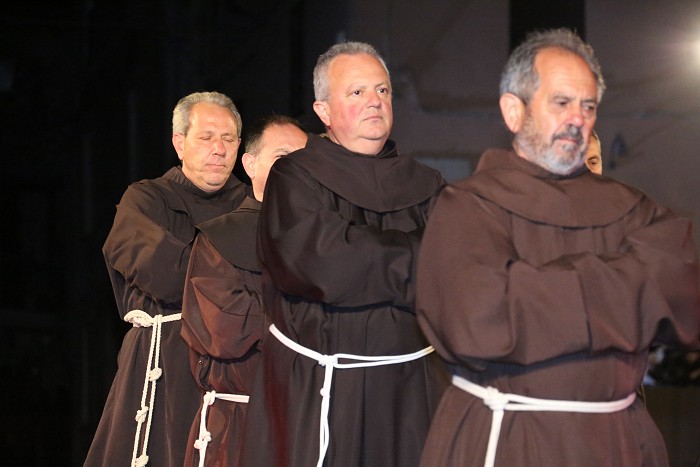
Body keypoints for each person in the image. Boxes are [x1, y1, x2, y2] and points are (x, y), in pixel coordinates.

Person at [416, 28, 700, 467]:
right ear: (514, 111)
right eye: (561, 102)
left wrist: (531, 288)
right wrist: (627, 287)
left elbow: (683, 294)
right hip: (509, 440)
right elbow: (478, 320)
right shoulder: (467, 207)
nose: (577, 119)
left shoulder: (633, 209)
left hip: (617, 443)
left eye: (588, 106)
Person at [239, 42, 449, 467]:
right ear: (323, 111)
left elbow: (454, 267)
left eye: (383, 90)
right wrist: (417, 261)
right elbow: (325, 264)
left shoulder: (427, 183)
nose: (375, 101)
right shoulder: (293, 176)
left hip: (413, 389)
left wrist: (372, 257)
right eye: (357, 92)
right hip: (325, 389)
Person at [85, 91, 247, 467]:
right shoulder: (145, 200)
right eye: (206, 137)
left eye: (228, 139)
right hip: (162, 360)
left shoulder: (253, 206)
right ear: (179, 143)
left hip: (237, 368)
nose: (219, 149)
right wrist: (237, 284)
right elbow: (165, 274)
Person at [179, 114, 308, 467]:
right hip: (239, 424)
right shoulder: (220, 237)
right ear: (250, 164)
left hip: (311, 418)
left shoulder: (326, 238)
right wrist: (305, 321)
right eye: (283, 157)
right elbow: (227, 328)